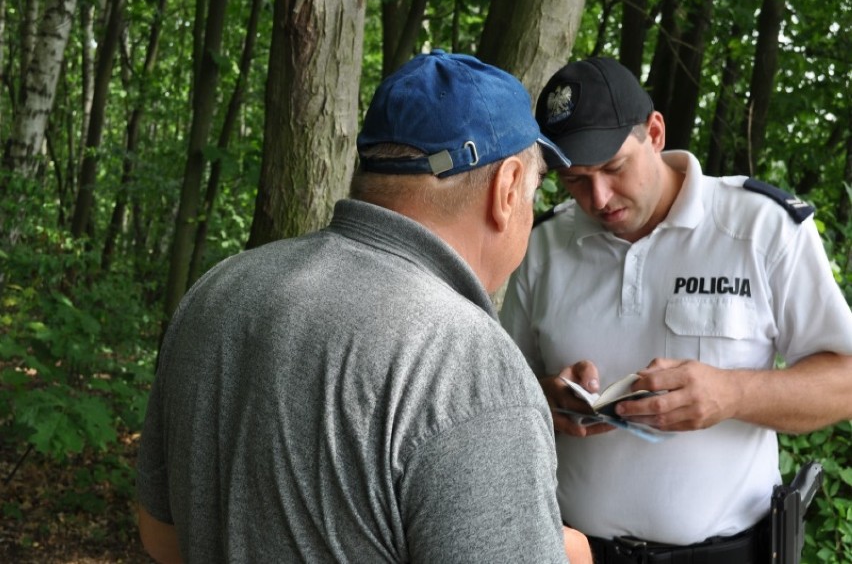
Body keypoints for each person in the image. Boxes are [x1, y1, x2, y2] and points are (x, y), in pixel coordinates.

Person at [136, 50, 593, 563]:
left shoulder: (219, 290)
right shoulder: (468, 364)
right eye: (535, 191)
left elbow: (160, 537)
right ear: (506, 189)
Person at [500, 56, 852, 563]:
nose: (598, 198)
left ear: (656, 133)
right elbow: (503, 389)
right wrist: (547, 399)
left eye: (613, 168)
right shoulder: (543, 246)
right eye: (575, 180)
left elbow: (842, 379)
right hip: (572, 551)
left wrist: (732, 393)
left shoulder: (760, 228)